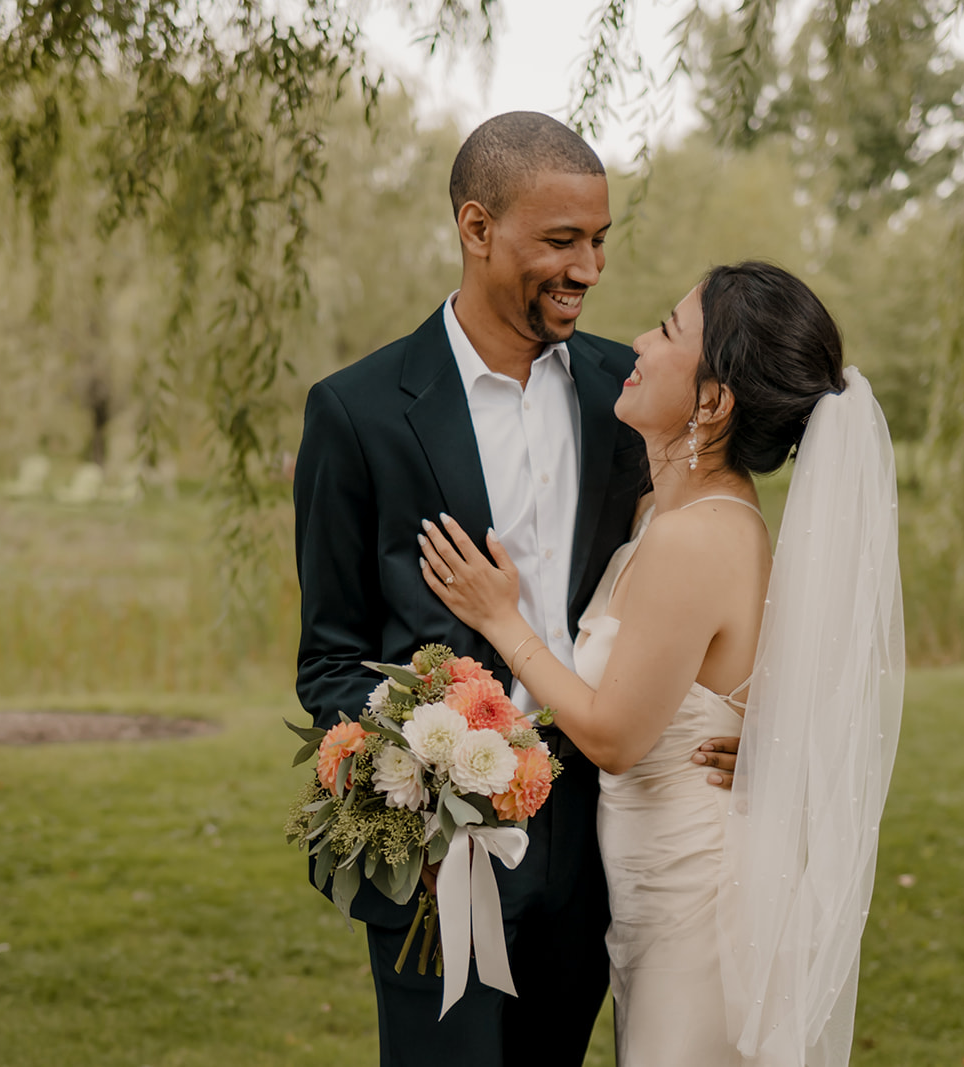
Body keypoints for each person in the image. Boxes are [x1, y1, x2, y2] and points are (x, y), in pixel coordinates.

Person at [292, 112, 740, 1066]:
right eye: (561, 241)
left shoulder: (628, 390)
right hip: (438, 864)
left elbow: (725, 562)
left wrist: (763, 728)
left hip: (597, 847)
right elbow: (328, 659)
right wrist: (420, 757)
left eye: (600, 240)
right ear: (477, 226)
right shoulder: (357, 413)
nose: (590, 268)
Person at [421, 261, 904, 1066]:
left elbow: (614, 735)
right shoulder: (668, 513)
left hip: (698, 911)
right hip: (652, 896)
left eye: (669, 331)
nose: (639, 341)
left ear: (712, 402)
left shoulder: (699, 538)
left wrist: (502, 620)